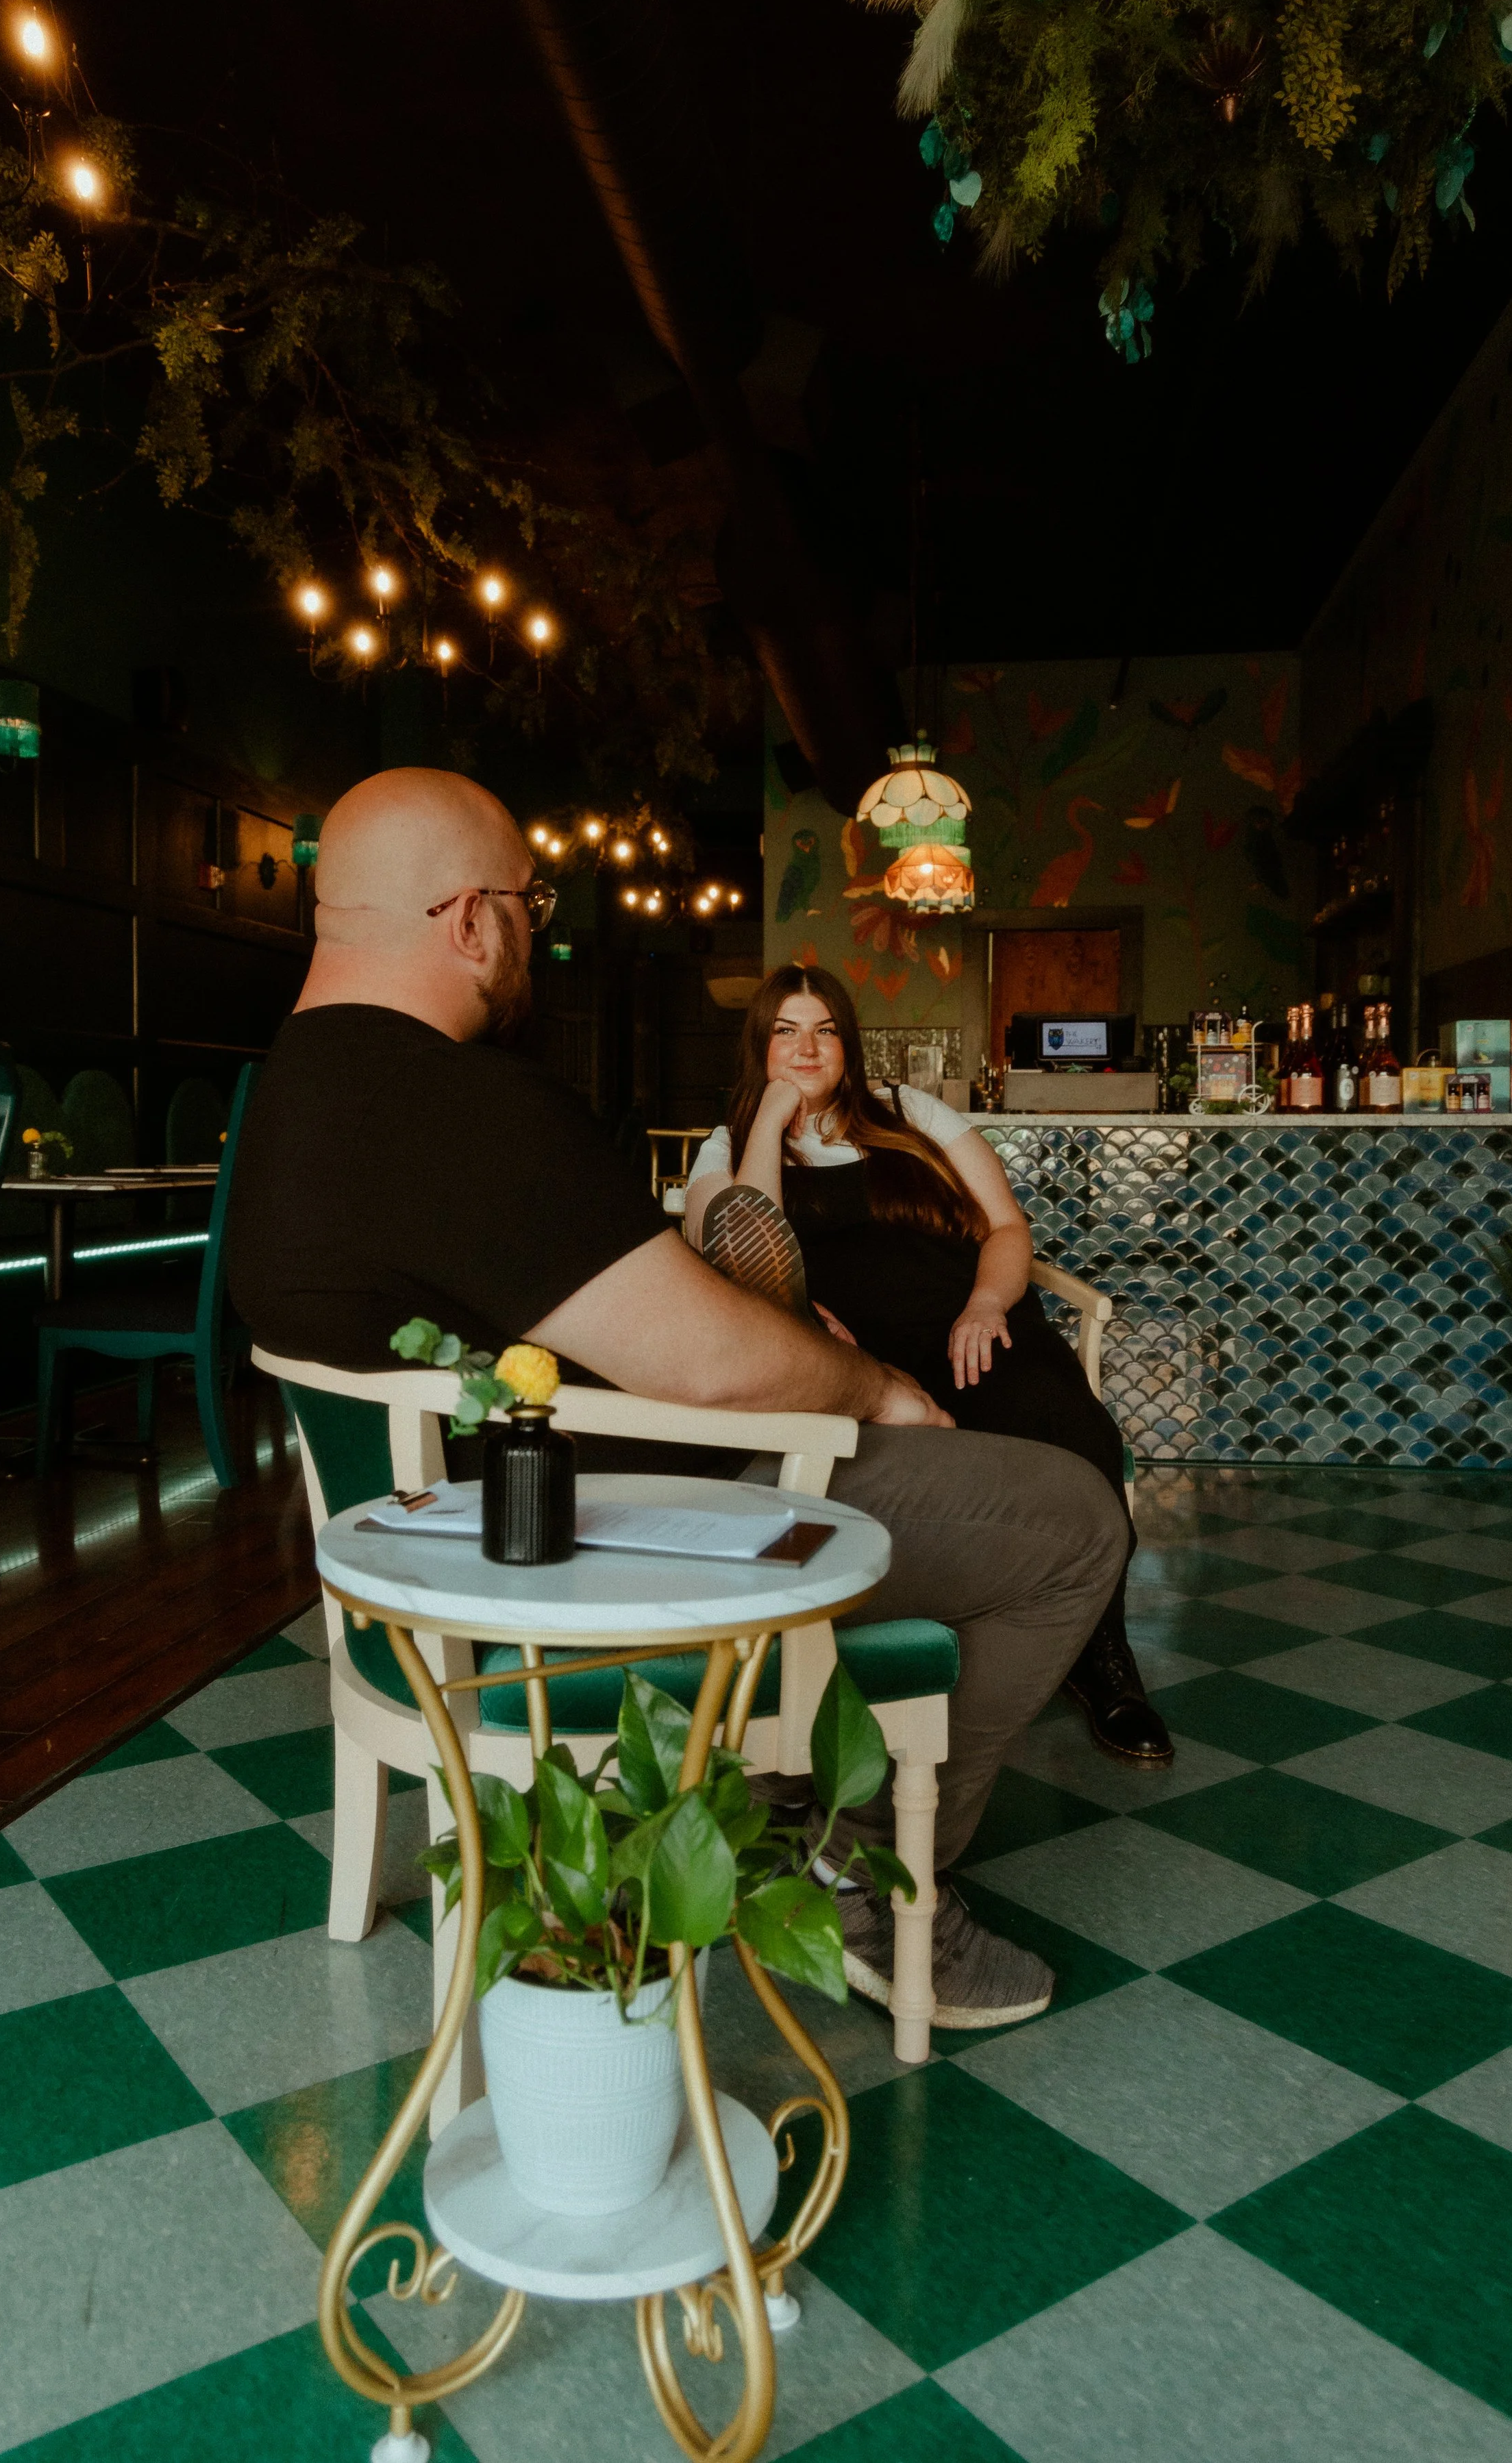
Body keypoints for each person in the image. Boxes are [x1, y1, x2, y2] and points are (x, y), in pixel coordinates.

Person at [229, 767, 1128, 2032]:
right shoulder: (456, 1102)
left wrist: (749, 1328)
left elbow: (611, 1310)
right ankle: (867, 1878)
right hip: (604, 1542)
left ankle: (793, 1798)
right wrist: (875, 1383)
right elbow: (710, 1367)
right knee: (1073, 1519)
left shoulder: (290, 1097)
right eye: (532, 904)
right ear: (472, 919)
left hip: (450, 1553)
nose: (534, 933)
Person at [686, 965, 1169, 1767]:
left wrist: (985, 1304)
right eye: (785, 1032)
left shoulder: (909, 1111)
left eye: (825, 1031)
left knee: (1065, 1427)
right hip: (859, 1365)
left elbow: (1006, 1228)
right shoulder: (728, 1148)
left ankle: (1102, 1654)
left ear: (849, 1044)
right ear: (758, 1046)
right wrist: (770, 1118)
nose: (807, 1049)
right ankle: (953, 1634)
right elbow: (742, 1255)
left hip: (967, 1331)